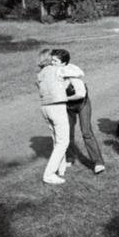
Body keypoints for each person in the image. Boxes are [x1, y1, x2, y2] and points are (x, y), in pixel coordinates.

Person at [51, 49, 105, 175]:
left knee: (86, 132)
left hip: (82, 104)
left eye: (55, 61)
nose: (52, 63)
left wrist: (64, 98)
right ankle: (70, 158)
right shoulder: (52, 72)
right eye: (51, 60)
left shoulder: (72, 73)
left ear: (63, 63)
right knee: (67, 133)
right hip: (67, 106)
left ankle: (98, 163)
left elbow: (80, 94)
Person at [36, 49, 72, 185]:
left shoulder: (40, 74)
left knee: (57, 139)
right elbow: (79, 72)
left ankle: (61, 169)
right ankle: (49, 174)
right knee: (63, 142)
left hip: (45, 107)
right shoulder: (56, 70)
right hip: (57, 106)